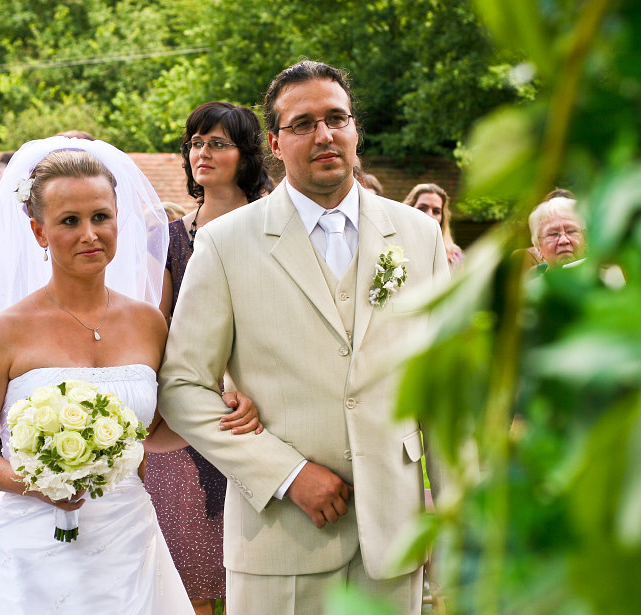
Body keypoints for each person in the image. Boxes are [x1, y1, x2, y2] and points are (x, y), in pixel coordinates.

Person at [158, 61, 449, 615]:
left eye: (337, 118)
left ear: (355, 129)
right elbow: (181, 386)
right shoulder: (224, 243)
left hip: (395, 536)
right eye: (303, 124)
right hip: (280, 536)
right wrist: (285, 474)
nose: (324, 135)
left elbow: (445, 386)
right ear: (274, 142)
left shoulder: (418, 234)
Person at [0, 138, 260, 613]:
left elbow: (157, 430)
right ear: (39, 231)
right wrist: (36, 483)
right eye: (69, 221)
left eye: (100, 217)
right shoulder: (3, 333)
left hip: (127, 537)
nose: (90, 234)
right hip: (29, 544)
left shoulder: (149, 323)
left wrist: (222, 410)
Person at [147, 101, 271, 615]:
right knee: (189, 582)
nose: (202, 152)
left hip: (262, 412)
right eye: (196, 143)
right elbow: (159, 330)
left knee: (260, 583)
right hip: (187, 420)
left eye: (218, 143)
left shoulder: (275, 225)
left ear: (246, 155)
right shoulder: (170, 238)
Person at [403, 183, 463, 269]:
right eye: (422, 208)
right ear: (408, 209)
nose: (429, 215)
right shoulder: (393, 247)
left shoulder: (454, 257)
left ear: (443, 218)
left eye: (436, 211)